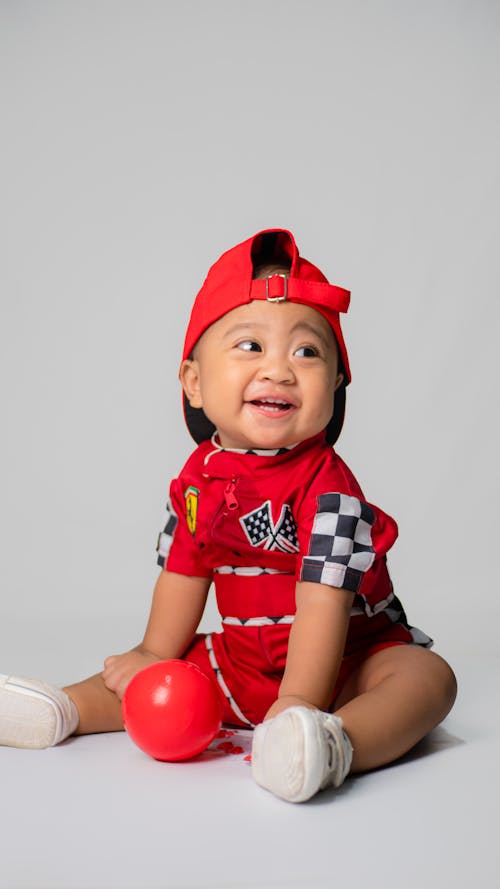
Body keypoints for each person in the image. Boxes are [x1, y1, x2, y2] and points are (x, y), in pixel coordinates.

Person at [0, 228, 457, 803]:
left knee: (425, 680)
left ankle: (332, 744)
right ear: (194, 382)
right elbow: (184, 572)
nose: (280, 370)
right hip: (241, 661)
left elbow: (322, 604)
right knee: (162, 678)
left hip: (345, 665)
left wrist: (299, 701)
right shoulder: (198, 482)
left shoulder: (332, 491)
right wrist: (152, 651)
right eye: (250, 347)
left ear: (337, 384)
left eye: (307, 351)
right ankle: (61, 709)